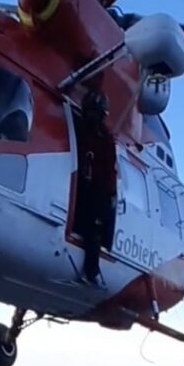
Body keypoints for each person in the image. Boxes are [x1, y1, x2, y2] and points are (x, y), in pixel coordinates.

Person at [76, 90, 117, 284]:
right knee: (87, 224)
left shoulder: (105, 139)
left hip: (98, 190)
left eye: (96, 113)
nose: (92, 118)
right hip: (86, 185)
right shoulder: (84, 131)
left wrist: (109, 195)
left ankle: (91, 273)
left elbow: (109, 170)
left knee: (94, 231)